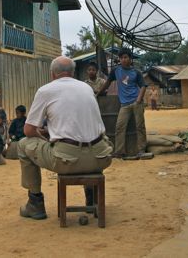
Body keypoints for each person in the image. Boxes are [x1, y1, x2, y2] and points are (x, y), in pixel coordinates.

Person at [18, 56, 113, 220]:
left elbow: (28, 130)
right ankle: (92, 196)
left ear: (52, 74)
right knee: (94, 139)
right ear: (73, 72)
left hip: (67, 160)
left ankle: (35, 203)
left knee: (23, 144)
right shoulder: (86, 88)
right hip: (101, 157)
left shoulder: (45, 90)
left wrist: (44, 139)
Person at [97, 48, 152, 160]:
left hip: (137, 103)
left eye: (125, 57)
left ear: (130, 59)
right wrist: (98, 94)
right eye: (121, 58)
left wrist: (138, 100)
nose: (123, 60)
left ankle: (141, 150)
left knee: (140, 127)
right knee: (119, 127)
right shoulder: (115, 71)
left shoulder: (136, 72)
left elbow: (143, 86)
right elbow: (107, 83)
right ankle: (119, 151)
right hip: (124, 105)